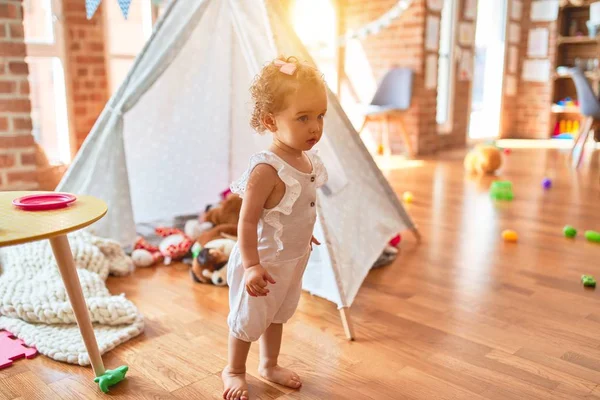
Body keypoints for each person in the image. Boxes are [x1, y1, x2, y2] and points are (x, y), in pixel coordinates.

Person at [221, 55, 328, 400]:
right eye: (303, 118)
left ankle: (269, 364)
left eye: (320, 116)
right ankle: (234, 368)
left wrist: (302, 230)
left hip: (293, 256)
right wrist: (251, 265)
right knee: (249, 317)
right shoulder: (266, 169)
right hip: (264, 260)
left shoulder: (308, 160)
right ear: (270, 120)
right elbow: (248, 220)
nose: (315, 127)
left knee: (278, 313)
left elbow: (293, 208)